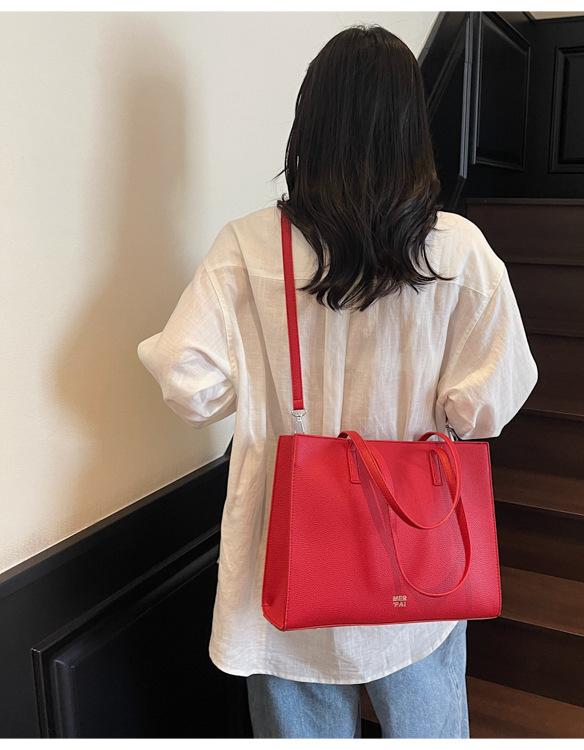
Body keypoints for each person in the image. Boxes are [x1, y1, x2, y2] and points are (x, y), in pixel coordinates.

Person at [137, 23, 538, 740]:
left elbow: (187, 382)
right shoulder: (458, 250)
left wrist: (266, 389)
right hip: (417, 546)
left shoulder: (248, 247)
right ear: (411, 130)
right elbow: (485, 406)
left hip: (290, 551)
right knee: (429, 721)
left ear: (311, 125)